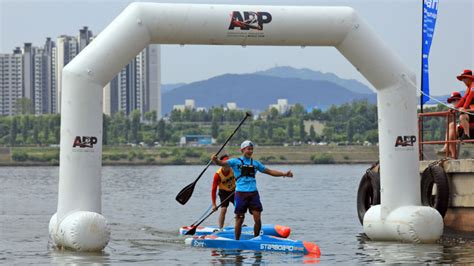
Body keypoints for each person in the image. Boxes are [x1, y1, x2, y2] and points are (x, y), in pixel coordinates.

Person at [211, 140, 293, 240]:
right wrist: (215, 159)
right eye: (248, 149)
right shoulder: (235, 162)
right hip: (241, 194)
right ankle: (237, 241)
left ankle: (256, 239)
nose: (250, 151)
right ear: (242, 150)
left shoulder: (255, 163)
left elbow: (269, 171)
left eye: (251, 149)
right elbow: (220, 163)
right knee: (240, 219)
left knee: (257, 218)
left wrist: (284, 174)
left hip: (253, 193)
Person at [211, 154, 235, 229]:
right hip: (223, 192)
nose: (228, 165)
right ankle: (220, 228)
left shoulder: (234, 170)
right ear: (222, 164)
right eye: (226, 163)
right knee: (224, 209)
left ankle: (239, 224)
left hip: (234, 191)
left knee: (239, 208)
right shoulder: (217, 175)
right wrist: (214, 204)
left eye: (229, 163)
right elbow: (213, 190)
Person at [438, 91, 462, 157]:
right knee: (450, 128)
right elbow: (448, 121)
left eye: (454, 100)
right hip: (457, 127)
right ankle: (452, 154)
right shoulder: (453, 108)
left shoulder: (464, 106)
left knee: (451, 127)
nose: (453, 102)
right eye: (452, 100)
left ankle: (448, 149)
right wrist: (450, 115)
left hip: (465, 127)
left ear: (460, 100)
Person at [455, 69, 474, 140]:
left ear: (469, 78)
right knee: (462, 116)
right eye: (462, 79)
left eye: (464, 78)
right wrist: (455, 107)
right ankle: (466, 135)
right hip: (471, 112)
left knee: (463, 115)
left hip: (472, 112)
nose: (463, 81)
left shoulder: (473, 85)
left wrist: (464, 108)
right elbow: (464, 98)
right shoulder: (469, 88)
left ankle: (466, 135)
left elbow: (470, 96)